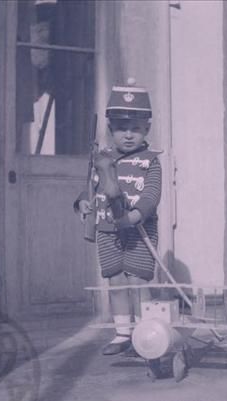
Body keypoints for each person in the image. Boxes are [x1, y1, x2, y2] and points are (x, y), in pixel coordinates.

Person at [75, 78, 161, 355]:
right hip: (108, 232)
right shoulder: (103, 159)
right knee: (116, 281)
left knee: (138, 280)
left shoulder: (150, 160)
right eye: (121, 129)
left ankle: (148, 333)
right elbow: (88, 190)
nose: (128, 135)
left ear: (146, 128)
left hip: (139, 231)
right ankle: (123, 334)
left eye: (135, 129)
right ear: (111, 130)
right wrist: (83, 204)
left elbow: (151, 195)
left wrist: (136, 215)